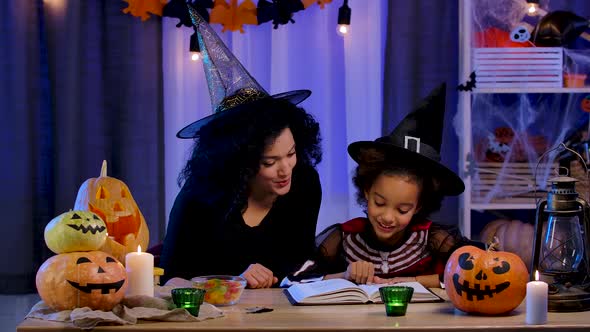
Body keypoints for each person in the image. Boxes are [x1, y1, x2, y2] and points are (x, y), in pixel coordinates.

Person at [159, 6, 322, 289]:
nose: (286, 170)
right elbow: (171, 278)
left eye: (291, 154)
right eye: (269, 162)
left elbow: (300, 264)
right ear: (238, 162)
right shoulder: (198, 196)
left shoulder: (305, 182)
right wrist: (230, 280)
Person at [297, 84, 481, 288]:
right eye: (379, 203)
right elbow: (296, 279)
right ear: (367, 191)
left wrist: (412, 281)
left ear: (418, 206)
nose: (387, 217)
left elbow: (475, 273)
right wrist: (346, 274)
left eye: (402, 209)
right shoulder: (345, 237)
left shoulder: (431, 238)